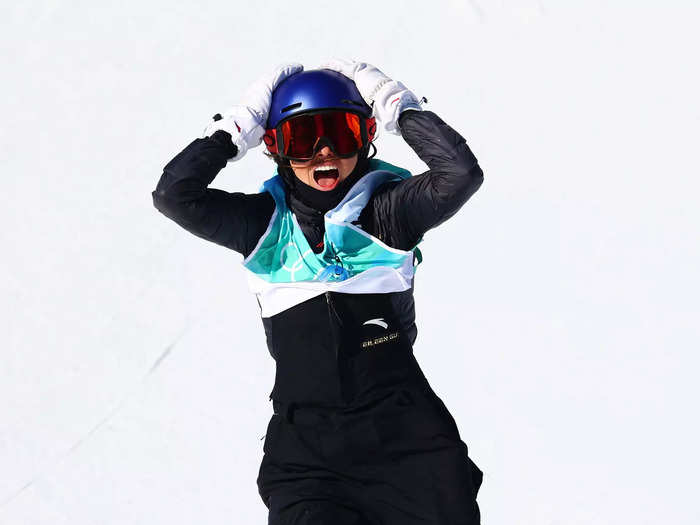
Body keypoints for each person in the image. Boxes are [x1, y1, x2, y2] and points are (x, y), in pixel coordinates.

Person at [152, 59, 485, 525]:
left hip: (410, 449)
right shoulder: (262, 227)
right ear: (275, 146)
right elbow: (174, 196)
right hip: (310, 457)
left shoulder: (390, 215)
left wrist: (397, 104)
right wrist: (236, 127)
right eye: (303, 138)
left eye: (341, 133)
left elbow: (460, 174)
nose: (325, 152)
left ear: (366, 136)